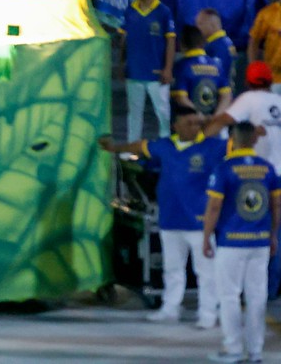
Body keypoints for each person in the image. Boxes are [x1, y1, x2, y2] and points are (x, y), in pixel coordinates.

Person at [100, 104, 223, 325]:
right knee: (172, 269)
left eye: (197, 123)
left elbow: (242, 141)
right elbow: (139, 146)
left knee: (205, 272)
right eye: (189, 123)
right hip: (170, 221)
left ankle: (207, 314)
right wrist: (114, 148)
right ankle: (170, 309)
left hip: (199, 224)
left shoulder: (212, 147)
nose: (195, 127)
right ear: (175, 126)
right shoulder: (165, 146)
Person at [204, 120, 281, 363]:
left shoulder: (225, 168)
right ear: (254, 139)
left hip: (231, 242)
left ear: (233, 140)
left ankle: (233, 349)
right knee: (257, 296)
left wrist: (206, 236)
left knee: (229, 296)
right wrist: (273, 234)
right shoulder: (268, 169)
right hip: (258, 242)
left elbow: (215, 206)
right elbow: (276, 204)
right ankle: (256, 351)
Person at [120, 0, 174, 141]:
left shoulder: (164, 12)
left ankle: (164, 149)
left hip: (157, 73)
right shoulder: (130, 11)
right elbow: (123, 41)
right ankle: (131, 150)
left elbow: (171, 42)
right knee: (134, 114)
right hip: (134, 72)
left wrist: (168, 69)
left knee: (163, 114)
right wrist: (122, 64)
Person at [174, 23, 232, 118]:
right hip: (214, 121)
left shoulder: (181, 66)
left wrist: (199, 115)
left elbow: (181, 98)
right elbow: (226, 96)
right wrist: (215, 118)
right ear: (202, 43)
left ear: (182, 44)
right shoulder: (217, 65)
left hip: (190, 123)